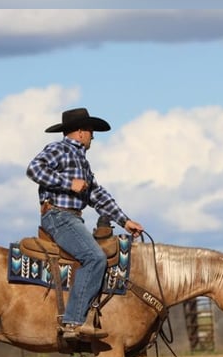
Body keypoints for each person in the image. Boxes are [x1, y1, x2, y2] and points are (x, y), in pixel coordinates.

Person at [26, 107, 144, 341]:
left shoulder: (82, 162)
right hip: (59, 216)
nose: (93, 136)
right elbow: (34, 168)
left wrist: (124, 220)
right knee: (94, 257)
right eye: (91, 131)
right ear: (80, 132)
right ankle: (72, 322)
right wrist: (68, 183)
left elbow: (97, 195)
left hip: (70, 217)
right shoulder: (58, 149)